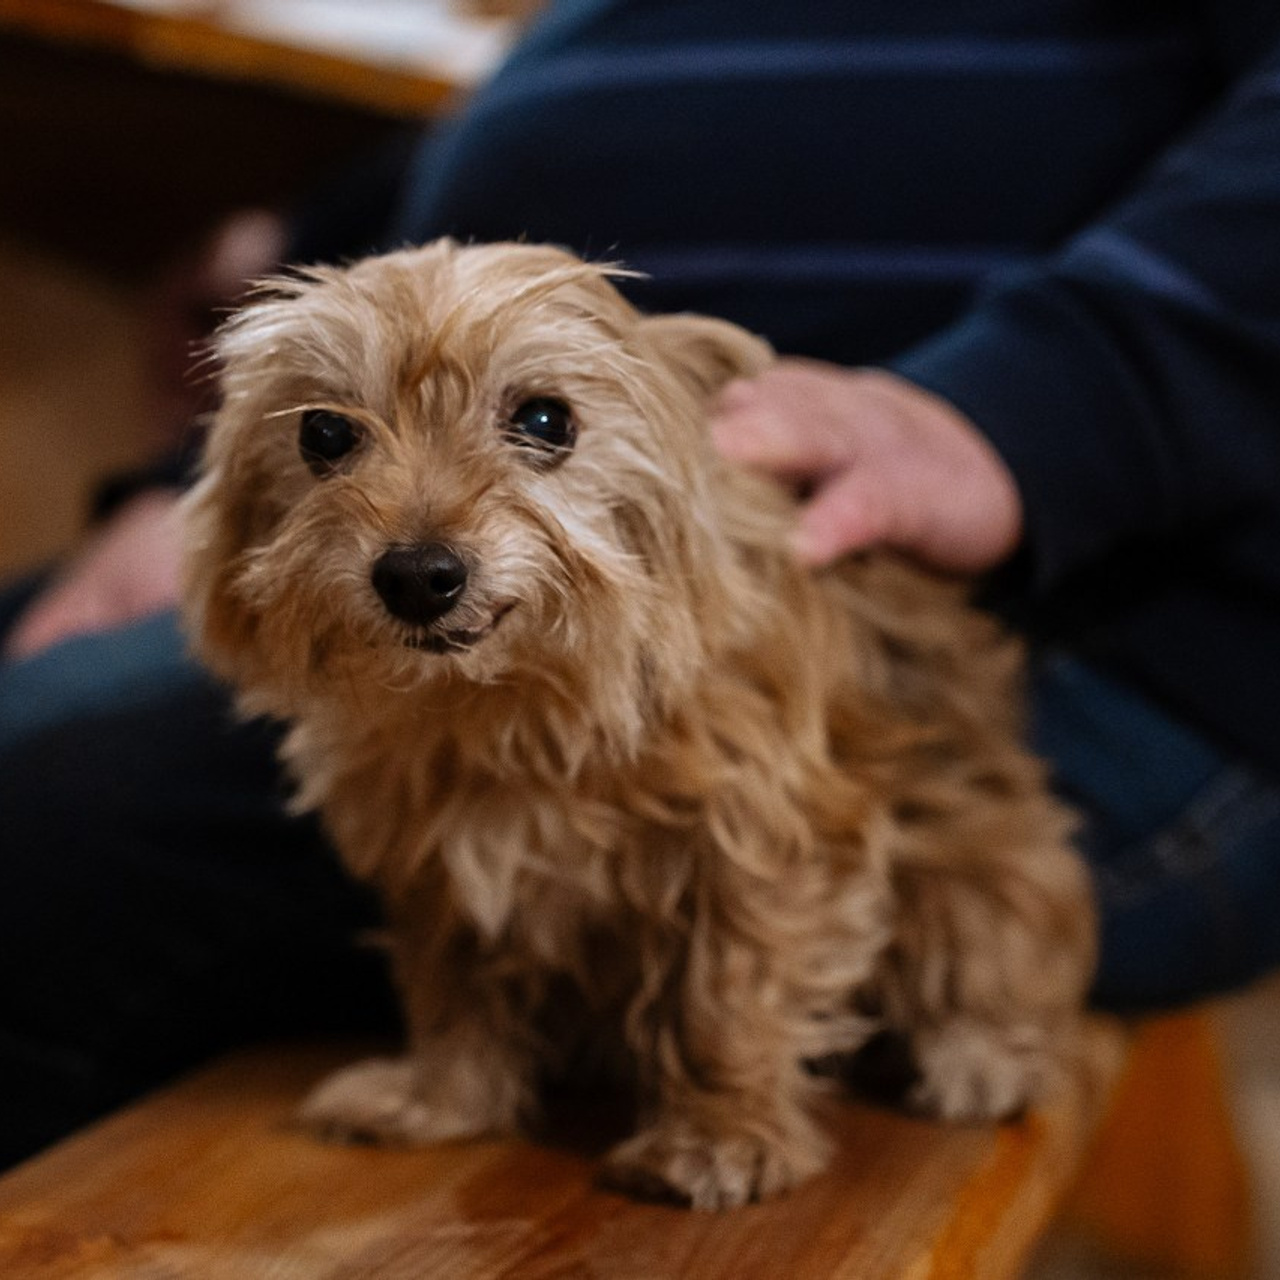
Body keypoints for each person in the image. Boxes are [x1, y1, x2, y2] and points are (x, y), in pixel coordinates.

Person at [3, 0, 1279, 1168]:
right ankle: (474, 1057)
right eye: (332, 445)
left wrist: (1041, 407)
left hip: (1095, 585)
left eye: (542, 424)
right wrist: (249, 351)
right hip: (589, 502)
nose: (414, 518)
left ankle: (726, 1094)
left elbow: (778, 850)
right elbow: (494, 165)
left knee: (44, 823)